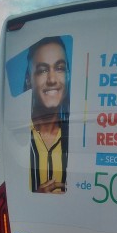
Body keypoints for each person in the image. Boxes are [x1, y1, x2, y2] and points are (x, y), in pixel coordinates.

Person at [27, 36, 70, 193]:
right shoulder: (18, 137)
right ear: (29, 80)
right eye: (42, 70)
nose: (52, 79)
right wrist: (37, 198)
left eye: (60, 68)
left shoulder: (78, 137)